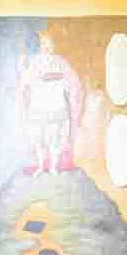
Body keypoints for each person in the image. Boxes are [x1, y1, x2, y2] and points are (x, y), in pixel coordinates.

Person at [19, 32, 82, 176]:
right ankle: (41, 166)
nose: (46, 46)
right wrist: (25, 71)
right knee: (39, 139)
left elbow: (72, 82)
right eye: (43, 43)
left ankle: (53, 167)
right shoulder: (34, 62)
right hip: (38, 107)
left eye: (49, 43)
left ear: (54, 46)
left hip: (57, 106)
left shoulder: (61, 62)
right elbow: (26, 81)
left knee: (55, 140)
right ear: (40, 46)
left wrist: (63, 87)